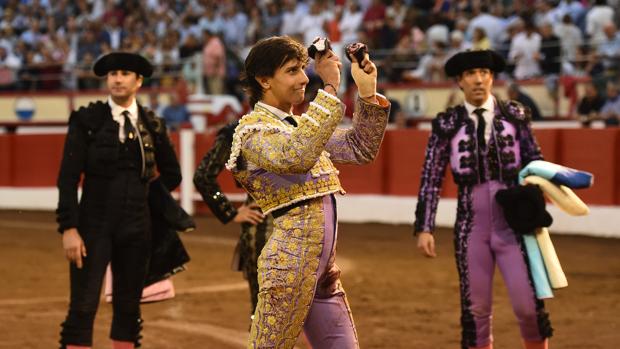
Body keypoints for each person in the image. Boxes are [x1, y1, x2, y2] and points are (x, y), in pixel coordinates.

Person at [226, 36, 390, 348]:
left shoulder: (298, 126)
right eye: (292, 71)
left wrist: (367, 91)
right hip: (287, 270)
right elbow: (296, 155)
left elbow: (360, 148)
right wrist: (328, 88)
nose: (304, 78)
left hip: (324, 274)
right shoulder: (251, 132)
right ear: (264, 80)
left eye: (304, 69)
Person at [414, 50, 553, 349]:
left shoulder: (515, 116)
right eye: (471, 74)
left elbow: (535, 162)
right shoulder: (446, 124)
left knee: (529, 306)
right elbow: (431, 178)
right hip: (470, 228)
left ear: (491, 78)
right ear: (460, 82)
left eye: (484, 73)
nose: (478, 79)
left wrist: (535, 204)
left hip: (514, 226)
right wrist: (425, 227)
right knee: (476, 312)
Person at [56, 52, 183, 349]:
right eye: (112, 73)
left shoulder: (152, 124)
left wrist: (146, 202)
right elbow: (67, 178)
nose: (116, 78)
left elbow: (173, 174)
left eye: (124, 73)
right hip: (92, 226)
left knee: (128, 308)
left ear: (138, 81)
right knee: (83, 306)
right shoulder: (87, 120)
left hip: (137, 229)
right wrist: (69, 228)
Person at [193, 120, 272, 318]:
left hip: (295, 228)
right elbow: (203, 176)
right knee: (265, 310)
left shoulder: (296, 126)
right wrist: (230, 212)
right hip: (263, 227)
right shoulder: (242, 130)